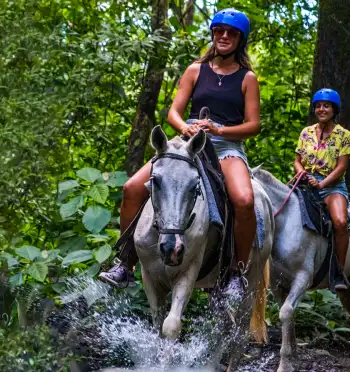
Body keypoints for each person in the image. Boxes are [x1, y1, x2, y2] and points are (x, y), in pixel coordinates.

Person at [99, 8, 260, 297]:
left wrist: (220, 130)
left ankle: (237, 271)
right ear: (213, 34)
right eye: (219, 31)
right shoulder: (196, 69)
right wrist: (185, 128)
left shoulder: (247, 78)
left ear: (240, 39)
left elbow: (253, 125)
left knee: (245, 201)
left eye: (231, 33)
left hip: (225, 147)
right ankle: (125, 262)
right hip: (187, 143)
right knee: (132, 186)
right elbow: (174, 111)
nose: (224, 36)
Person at [294, 88, 350, 291]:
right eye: (318, 106)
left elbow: (342, 166)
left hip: (332, 186)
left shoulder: (343, 135)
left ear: (333, 109)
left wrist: (322, 183)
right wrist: (302, 173)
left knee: (340, 221)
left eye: (326, 106)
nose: (321, 109)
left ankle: (338, 271)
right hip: (305, 182)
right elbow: (297, 161)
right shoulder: (306, 132)